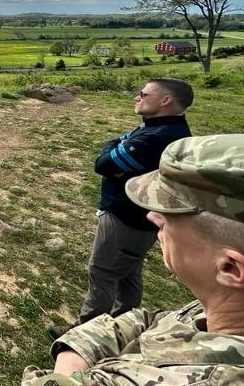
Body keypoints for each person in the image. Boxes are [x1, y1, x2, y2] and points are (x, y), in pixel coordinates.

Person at [24, 133, 244, 385]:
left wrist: (67, 368)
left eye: (171, 215)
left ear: (230, 268)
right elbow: (151, 320)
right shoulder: (237, 311)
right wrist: (79, 344)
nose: (153, 217)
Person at [48, 78, 193, 340]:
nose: (137, 97)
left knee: (102, 273)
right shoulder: (164, 128)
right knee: (129, 272)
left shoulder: (155, 137)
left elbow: (103, 164)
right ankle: (125, 325)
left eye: (143, 93)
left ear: (165, 100)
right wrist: (115, 146)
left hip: (126, 218)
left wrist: (112, 149)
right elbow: (116, 144)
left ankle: (86, 333)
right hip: (142, 217)